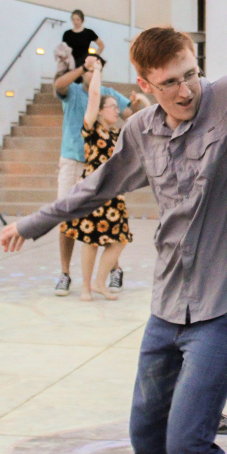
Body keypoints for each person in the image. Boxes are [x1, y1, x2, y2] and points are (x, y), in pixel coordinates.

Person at [0, 6, 227, 454]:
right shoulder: (140, 132)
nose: (186, 90)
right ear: (145, 84)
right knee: (147, 444)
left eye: (191, 74)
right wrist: (33, 223)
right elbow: (98, 187)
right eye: (170, 82)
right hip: (167, 305)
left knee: (188, 445)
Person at [52, 54, 143, 297]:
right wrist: (89, 68)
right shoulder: (74, 93)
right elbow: (76, 91)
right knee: (74, 222)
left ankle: (107, 275)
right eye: (111, 107)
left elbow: (134, 120)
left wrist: (141, 102)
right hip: (77, 162)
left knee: (115, 235)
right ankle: (67, 274)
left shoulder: (111, 111)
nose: (115, 108)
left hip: (109, 186)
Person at [62, 9, 104, 75]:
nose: (75, 22)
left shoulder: (89, 33)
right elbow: (63, 50)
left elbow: (101, 45)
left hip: (84, 65)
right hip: (70, 66)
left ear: (82, 20)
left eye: (77, 19)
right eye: (73, 19)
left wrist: (94, 58)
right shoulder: (67, 34)